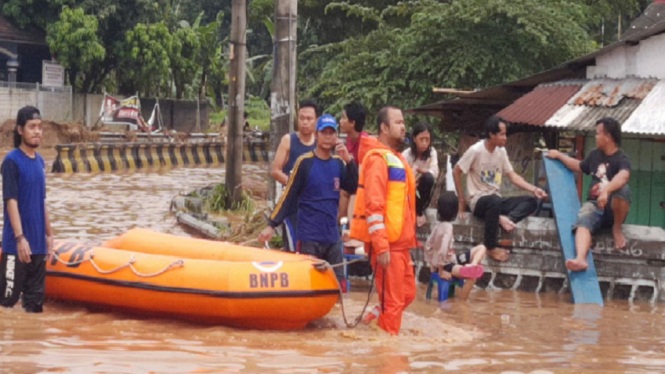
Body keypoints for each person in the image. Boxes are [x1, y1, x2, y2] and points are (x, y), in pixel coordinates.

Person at [259, 114, 357, 287]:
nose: (327, 137)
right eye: (324, 132)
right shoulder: (304, 163)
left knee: (338, 285)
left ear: (336, 137)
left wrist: (349, 161)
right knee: (309, 283)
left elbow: (352, 187)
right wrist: (271, 224)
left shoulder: (339, 163)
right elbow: (288, 196)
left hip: (332, 236)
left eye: (331, 133)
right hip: (309, 237)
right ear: (317, 135)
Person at [350, 106, 417, 335]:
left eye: (403, 122)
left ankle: (376, 320)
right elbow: (374, 206)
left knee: (407, 294)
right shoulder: (378, 160)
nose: (403, 126)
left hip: (401, 245)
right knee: (394, 303)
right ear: (384, 127)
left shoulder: (394, 158)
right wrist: (381, 245)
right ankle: (389, 358)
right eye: (398, 122)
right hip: (388, 245)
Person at [453, 116, 547, 262]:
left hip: (495, 201)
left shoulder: (501, 152)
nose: (505, 138)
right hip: (478, 201)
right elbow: (456, 171)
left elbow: (513, 176)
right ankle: (490, 247)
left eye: (505, 134)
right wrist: (461, 201)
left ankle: (506, 220)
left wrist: (534, 189)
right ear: (491, 134)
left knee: (530, 201)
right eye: (502, 134)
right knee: (494, 201)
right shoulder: (476, 150)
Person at [546, 117, 631, 272]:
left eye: (598, 133)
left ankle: (616, 229)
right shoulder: (594, 155)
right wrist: (559, 155)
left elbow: (623, 177)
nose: (595, 136)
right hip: (594, 205)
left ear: (608, 137)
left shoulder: (622, 159)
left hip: (612, 207)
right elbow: (578, 166)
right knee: (583, 221)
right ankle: (580, 259)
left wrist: (606, 191)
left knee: (624, 190)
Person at [0, 106, 54, 313]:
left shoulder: (40, 161)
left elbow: (42, 201)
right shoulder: (12, 162)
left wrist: (49, 235)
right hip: (17, 247)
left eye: (40, 127)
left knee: (34, 308)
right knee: (6, 304)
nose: (37, 131)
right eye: (32, 127)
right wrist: (20, 238)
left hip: (38, 246)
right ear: (20, 130)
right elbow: (10, 201)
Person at [270, 100, 318, 252]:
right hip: (291, 205)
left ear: (316, 121)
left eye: (309, 119)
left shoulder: (320, 144)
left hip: (312, 207)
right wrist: (294, 184)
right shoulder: (288, 141)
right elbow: (276, 171)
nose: (304, 122)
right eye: (302, 118)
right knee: (292, 246)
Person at [424, 192, 486, 300]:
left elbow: (428, 245)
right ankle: (462, 303)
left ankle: (472, 265)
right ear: (455, 210)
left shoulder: (437, 226)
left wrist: (432, 264)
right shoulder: (448, 227)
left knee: (481, 248)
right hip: (448, 266)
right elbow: (443, 250)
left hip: (452, 260)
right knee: (472, 278)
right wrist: (441, 271)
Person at [338, 102, 368, 242]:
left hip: (363, 188)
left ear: (352, 122)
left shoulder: (365, 143)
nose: (341, 121)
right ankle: (341, 226)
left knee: (350, 193)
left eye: (344, 118)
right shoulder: (349, 139)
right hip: (352, 183)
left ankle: (351, 231)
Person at [402, 122, 439, 227]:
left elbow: (435, 172)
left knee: (428, 178)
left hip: (422, 191)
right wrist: (412, 173)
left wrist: (421, 170)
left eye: (427, 140)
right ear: (414, 139)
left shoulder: (432, 152)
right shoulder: (407, 154)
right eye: (421, 139)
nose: (424, 143)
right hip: (408, 190)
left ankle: (419, 211)